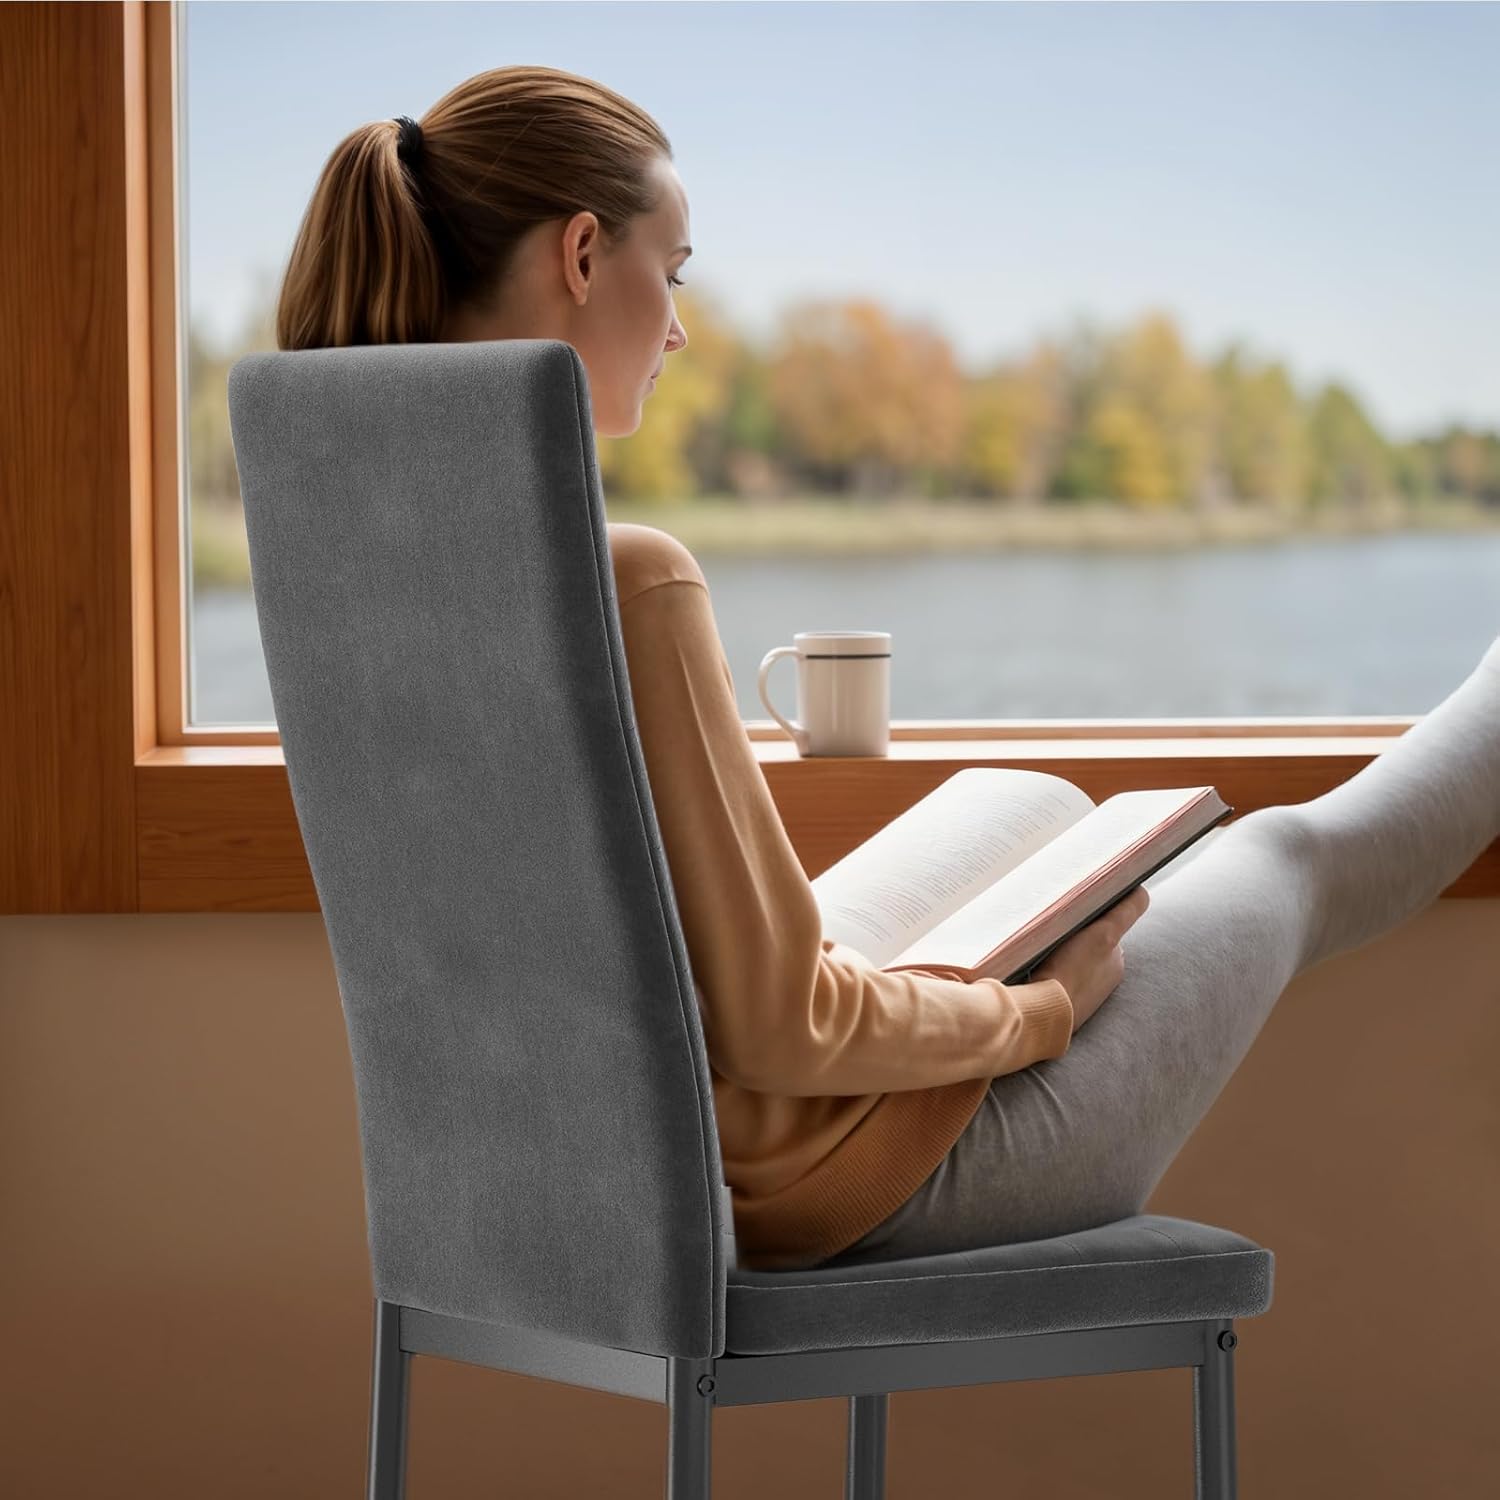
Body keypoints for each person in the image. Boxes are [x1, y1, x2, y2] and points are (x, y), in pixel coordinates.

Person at [274, 65, 1500, 1273]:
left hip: (624, 1154)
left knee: (1023, 801)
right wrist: (1038, 1014)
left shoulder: (360, 565)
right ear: (584, 255)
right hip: (814, 1183)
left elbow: (693, 979)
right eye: (676, 269)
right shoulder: (632, 577)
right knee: (1281, 858)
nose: (685, 323)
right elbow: (786, 1026)